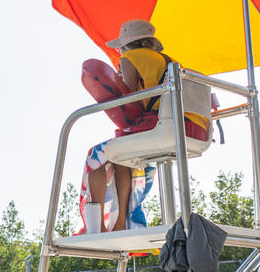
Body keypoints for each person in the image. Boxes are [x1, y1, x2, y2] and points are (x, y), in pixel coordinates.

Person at [81, 20, 210, 232]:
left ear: (124, 46)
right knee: (122, 158)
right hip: (195, 129)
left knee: (94, 156)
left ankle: (98, 227)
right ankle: (121, 222)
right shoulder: (170, 61)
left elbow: (129, 97)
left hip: (165, 127)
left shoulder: (129, 59)